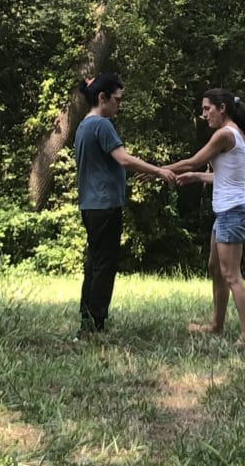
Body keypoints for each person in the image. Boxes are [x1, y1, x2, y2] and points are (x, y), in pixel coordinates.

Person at [73, 74, 177, 336]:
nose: (120, 105)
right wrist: (159, 171)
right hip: (105, 203)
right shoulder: (102, 124)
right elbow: (123, 159)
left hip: (89, 204)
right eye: (117, 100)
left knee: (94, 263)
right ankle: (95, 325)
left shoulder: (83, 126)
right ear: (102, 98)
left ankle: (87, 321)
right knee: (104, 265)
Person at [168, 88, 245, 343]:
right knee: (215, 268)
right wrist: (197, 178)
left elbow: (193, 161)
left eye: (207, 108)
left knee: (231, 275)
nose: (203, 114)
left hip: (233, 212)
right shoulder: (239, 135)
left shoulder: (225, 134)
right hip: (227, 212)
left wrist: (157, 170)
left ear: (222, 108)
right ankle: (217, 325)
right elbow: (225, 177)